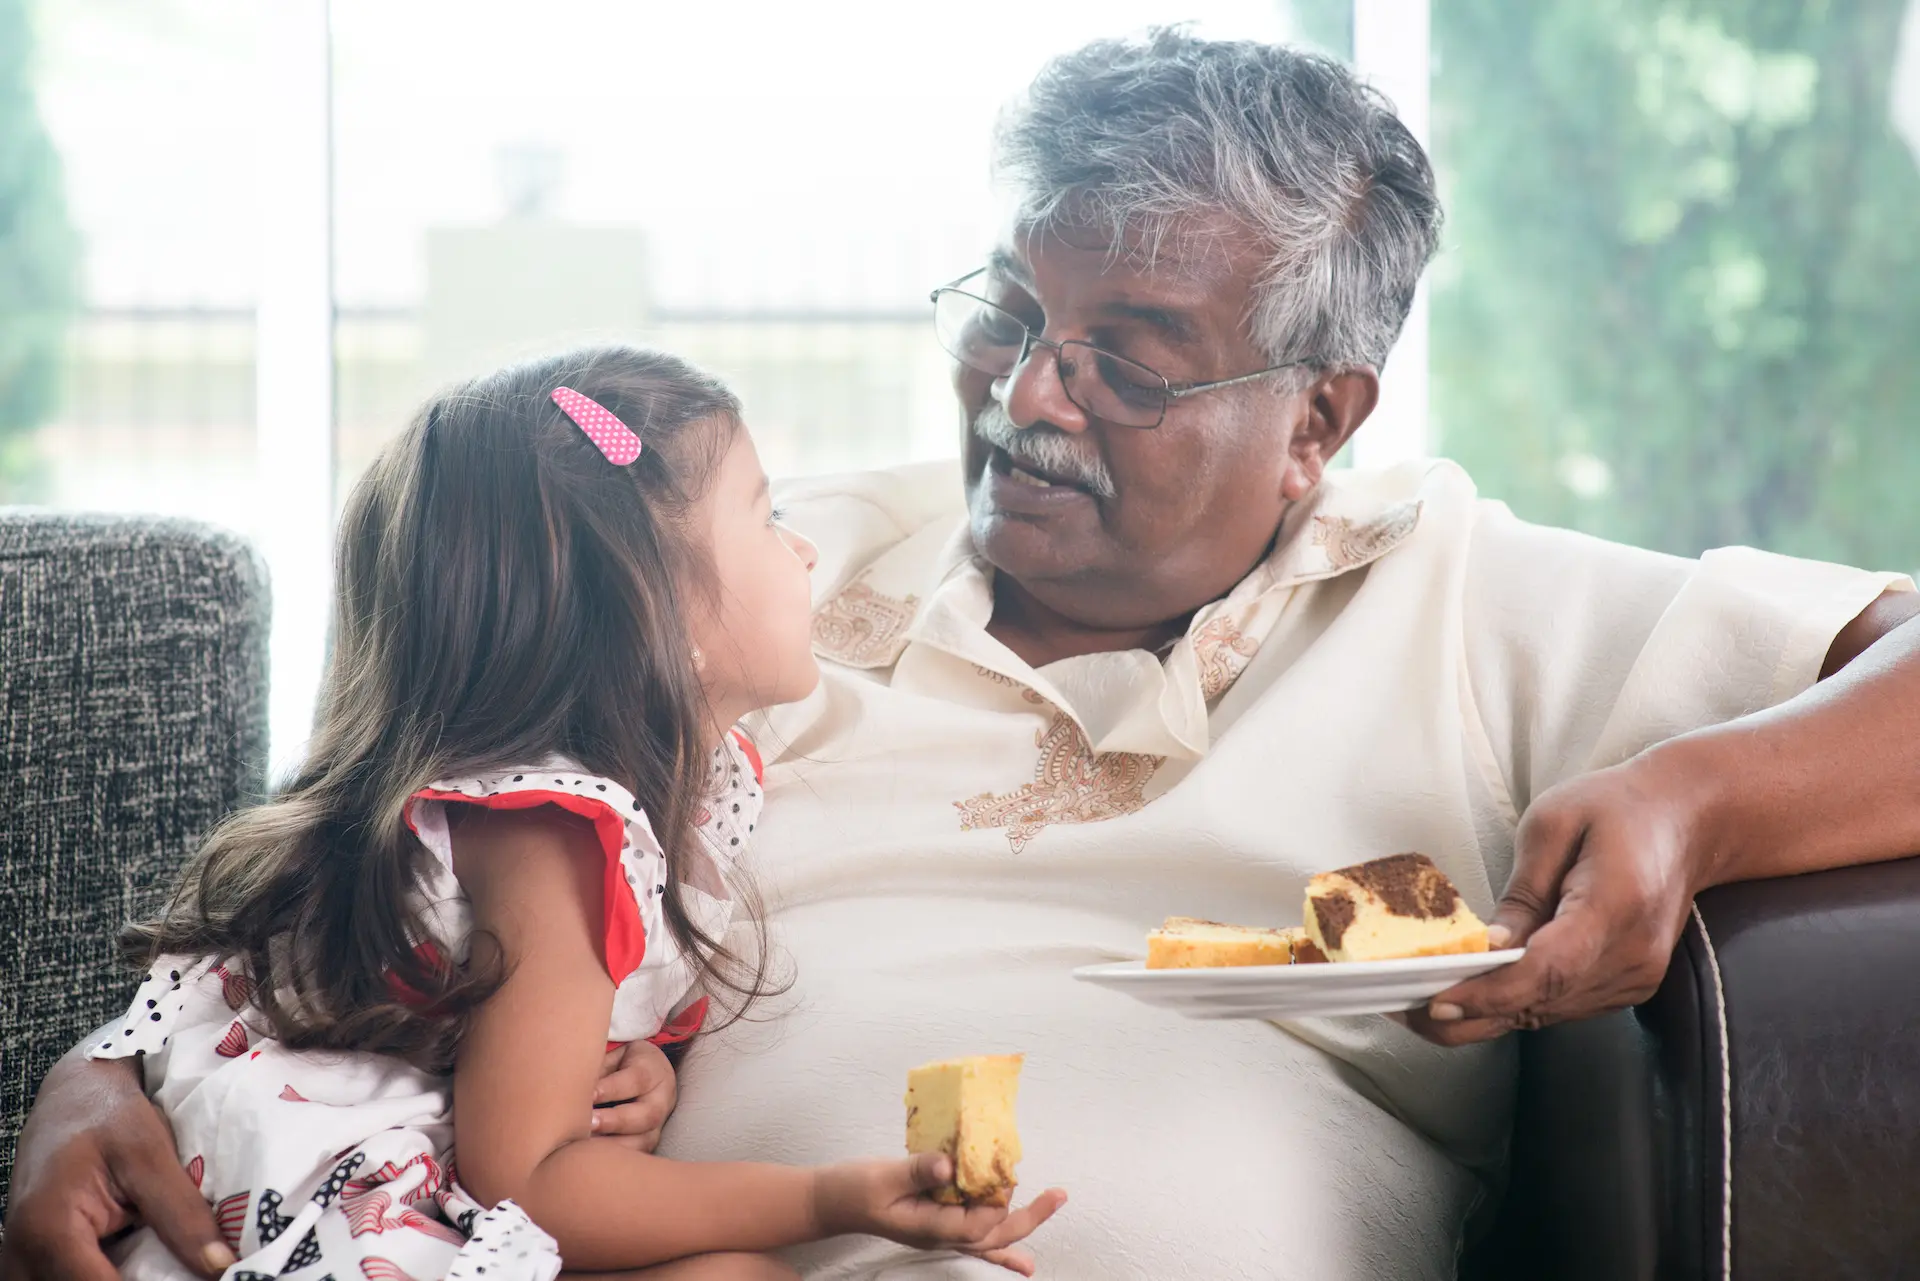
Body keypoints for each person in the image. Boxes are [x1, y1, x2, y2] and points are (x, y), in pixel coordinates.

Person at [10, 28, 1920, 1281]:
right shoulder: (741, 567)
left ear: (1322, 415)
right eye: (1007, 307)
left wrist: (1697, 797)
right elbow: (379, 862)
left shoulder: (1475, 595)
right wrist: (106, 1078)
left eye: (1132, 360)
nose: (1028, 395)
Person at [2, 346, 1063, 1281]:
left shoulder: (621, 811)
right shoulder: (554, 831)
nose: (806, 552)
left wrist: (631, 1068)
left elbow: (523, 1062)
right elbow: (529, 1177)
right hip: (322, 1214)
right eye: (767, 515)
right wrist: (833, 1198)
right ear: (660, 612)